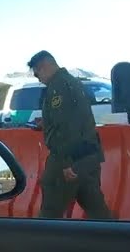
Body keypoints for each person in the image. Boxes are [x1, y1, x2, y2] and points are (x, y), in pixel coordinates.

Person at [26, 50, 113, 220]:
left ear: (44, 66)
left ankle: (44, 238)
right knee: (98, 211)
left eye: (37, 74)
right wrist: (47, 122)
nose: (39, 79)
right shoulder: (73, 82)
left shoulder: (57, 87)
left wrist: (66, 162)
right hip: (88, 156)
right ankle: (114, 235)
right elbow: (73, 118)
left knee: (50, 212)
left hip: (68, 159)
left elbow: (65, 127)